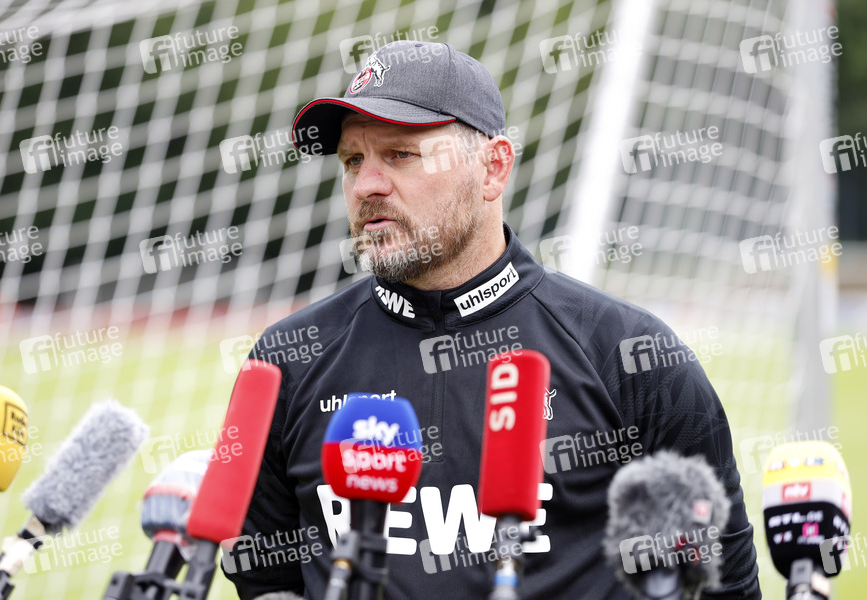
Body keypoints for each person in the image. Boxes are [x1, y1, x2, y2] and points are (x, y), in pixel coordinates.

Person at [225, 40, 761, 599]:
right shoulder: (286, 361)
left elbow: (722, 584)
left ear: (493, 168)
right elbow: (265, 582)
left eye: (400, 154)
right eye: (353, 161)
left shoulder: (629, 353)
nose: (366, 185)